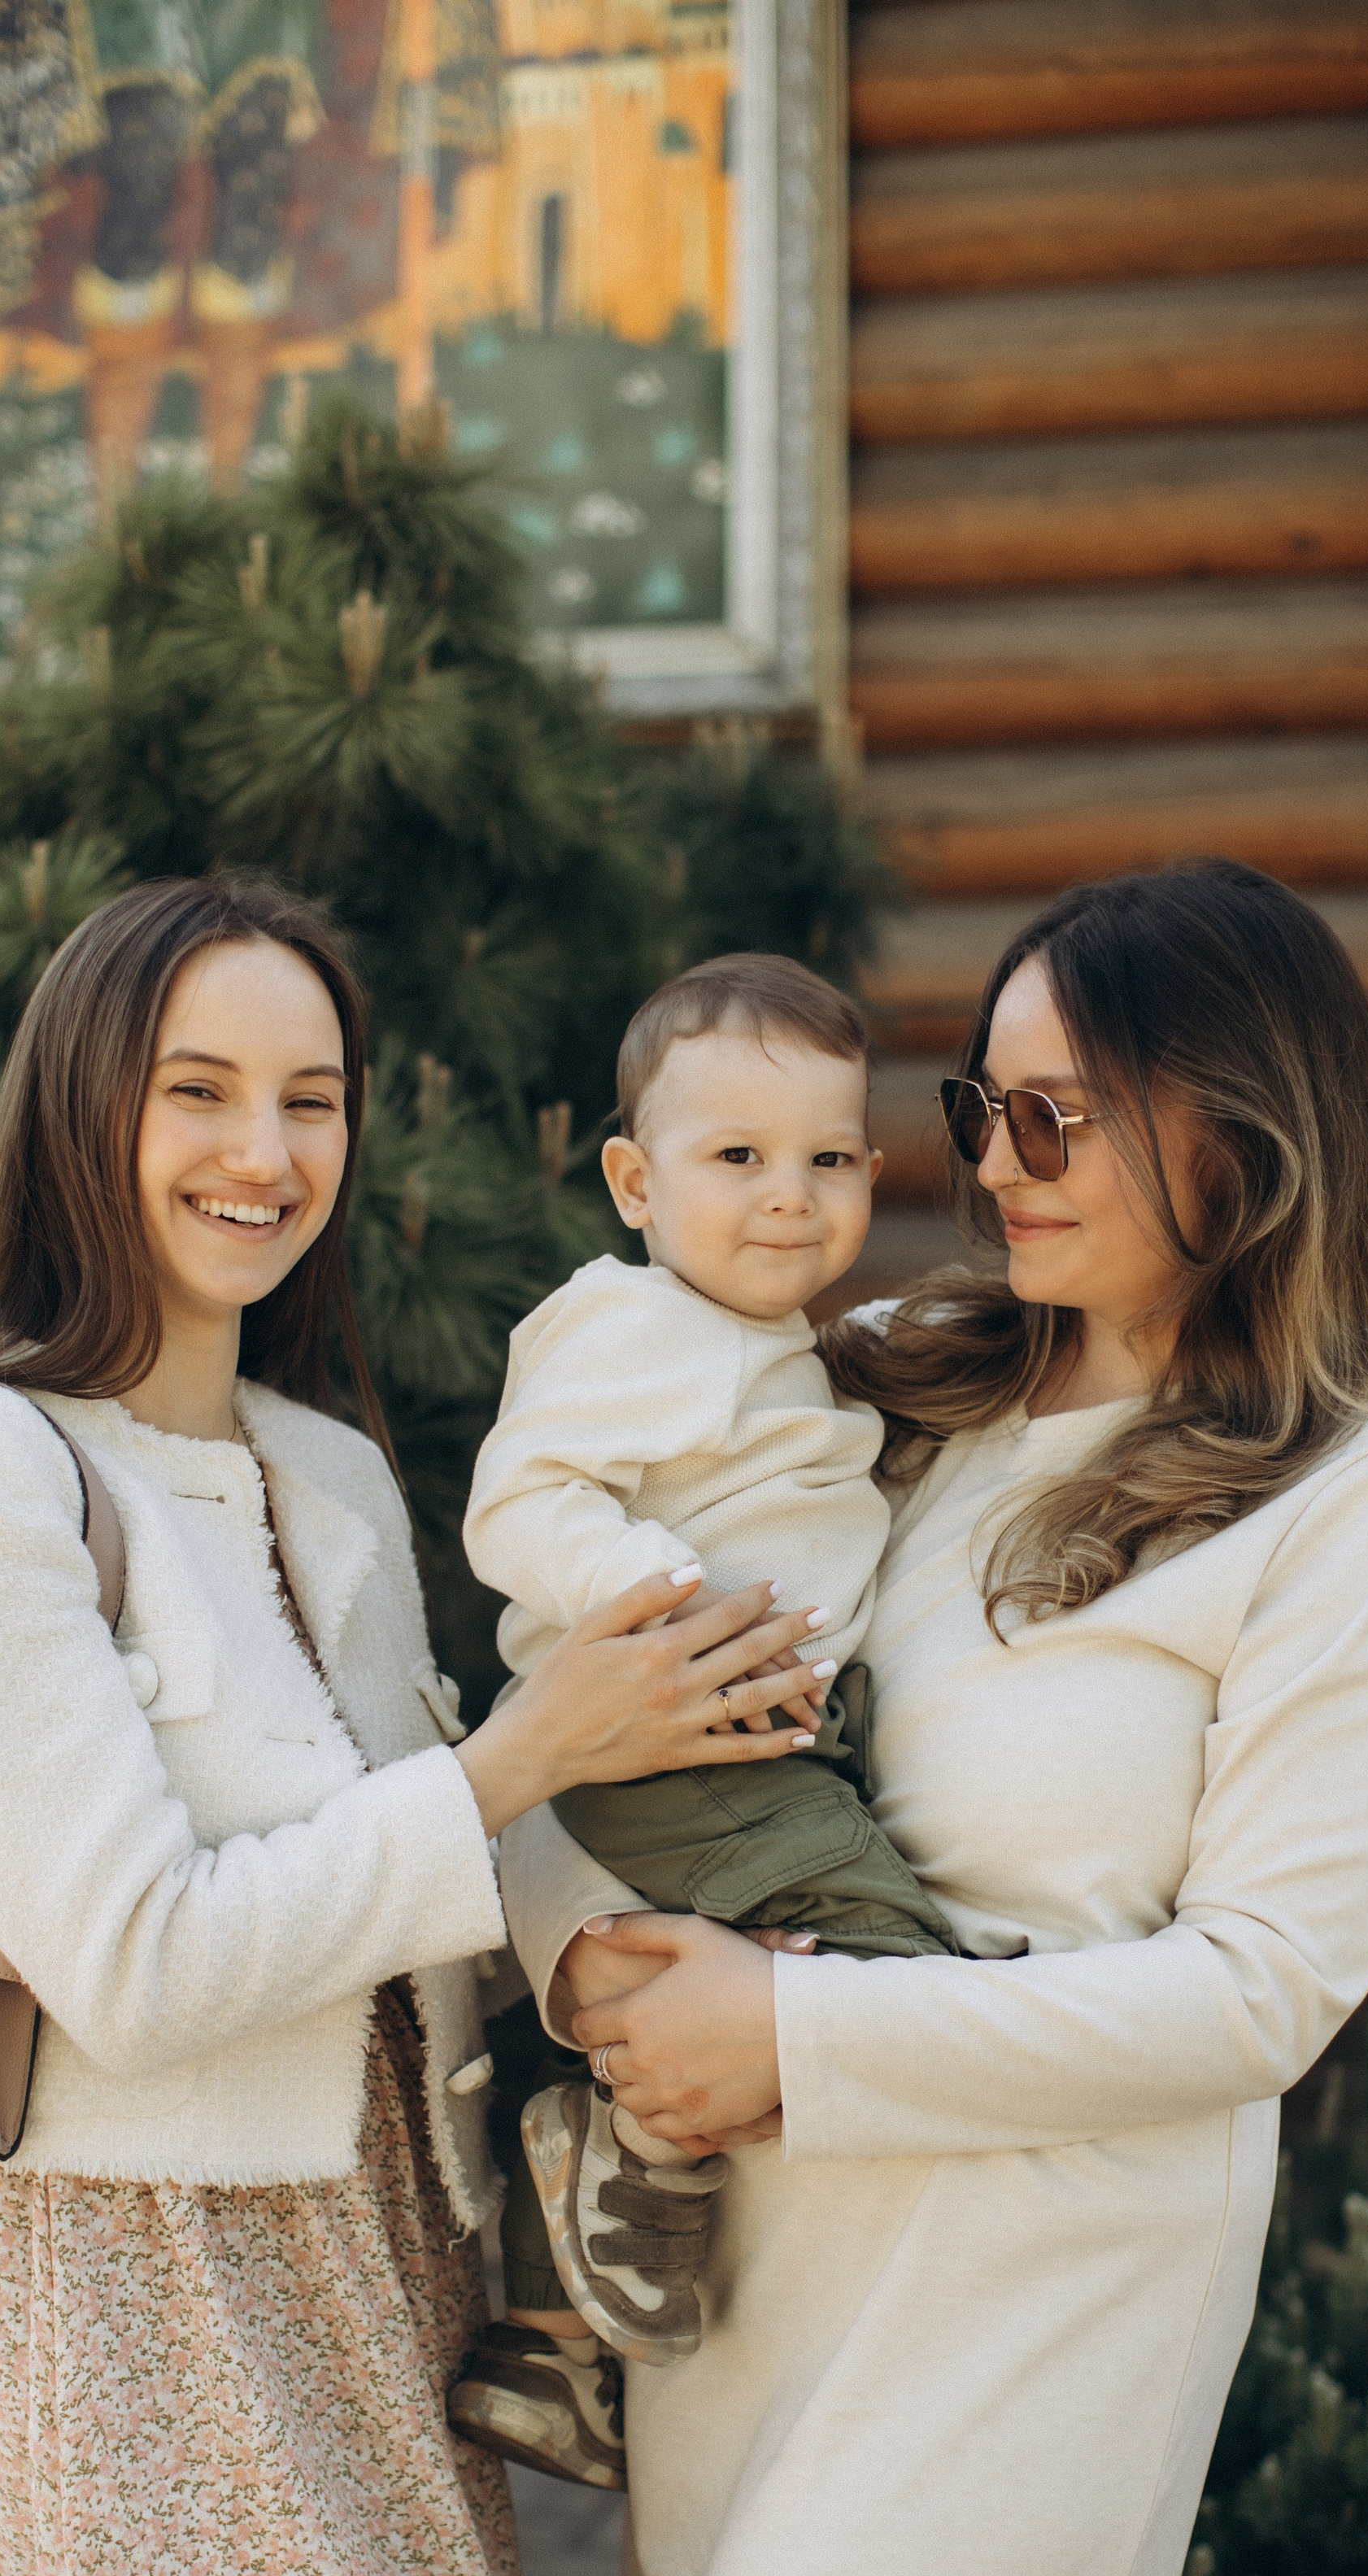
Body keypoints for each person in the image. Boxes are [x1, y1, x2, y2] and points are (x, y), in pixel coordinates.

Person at [0, 873, 830, 2576]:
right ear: (83, 1109)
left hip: (382, 2268)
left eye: (312, 1098)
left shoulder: (339, 1477)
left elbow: (444, 1881)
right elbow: (136, 1959)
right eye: (199, 1091)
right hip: (134, 2294)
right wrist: (523, 1753)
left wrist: (660, 1936)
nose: (261, 1154)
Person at [494, 857, 1368, 2576]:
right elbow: (580, 1736)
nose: (989, 1168)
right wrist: (601, 1973)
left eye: (1063, 1119)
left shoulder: (1349, 1501)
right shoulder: (873, 1420)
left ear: (1244, 1136)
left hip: (1034, 2310)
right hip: (756, 2295)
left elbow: (1266, 1994)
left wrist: (795, 2035)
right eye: (982, 1111)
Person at [449, 955, 959, 2489]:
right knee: (876, 1957)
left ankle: (551, 2346)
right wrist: (670, 1607)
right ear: (633, 1181)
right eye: (735, 1158)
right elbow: (521, 1500)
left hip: (747, 1743)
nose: (787, 1196)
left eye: (825, 1160)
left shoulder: (788, 1351)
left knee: (766, 1967)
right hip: (676, 1736)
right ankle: (644, 2153)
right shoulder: (626, 1326)